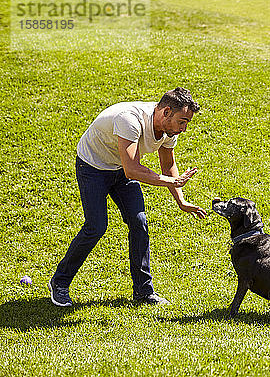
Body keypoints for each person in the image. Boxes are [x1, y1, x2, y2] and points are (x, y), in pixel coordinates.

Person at [49, 87, 206, 307]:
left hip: (120, 170)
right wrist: (170, 182)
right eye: (182, 121)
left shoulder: (169, 130)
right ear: (167, 111)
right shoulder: (129, 120)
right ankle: (60, 282)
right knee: (96, 226)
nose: (184, 128)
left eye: (187, 122)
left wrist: (181, 201)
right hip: (93, 166)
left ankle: (143, 291)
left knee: (138, 222)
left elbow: (168, 164)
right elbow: (132, 169)